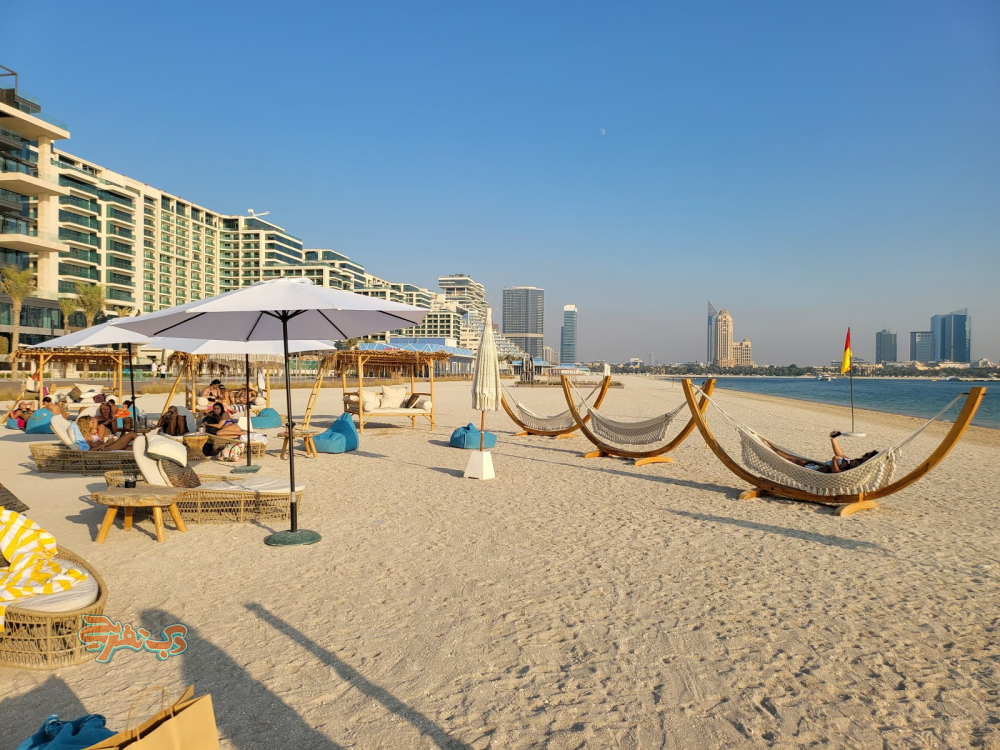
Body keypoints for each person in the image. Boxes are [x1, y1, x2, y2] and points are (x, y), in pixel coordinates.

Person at [771, 431, 879, 473]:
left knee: (794, 461)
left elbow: (836, 473)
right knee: (794, 459)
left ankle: (773, 453)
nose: (864, 454)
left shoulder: (855, 467)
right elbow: (840, 454)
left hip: (816, 471)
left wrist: (834, 460)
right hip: (817, 466)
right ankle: (773, 451)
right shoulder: (854, 461)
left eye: (867, 455)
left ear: (869, 459)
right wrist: (833, 439)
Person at [73, 415, 137, 451]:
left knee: (134, 448)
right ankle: (146, 445)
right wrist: (105, 444)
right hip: (106, 448)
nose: (93, 422)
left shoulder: (89, 433)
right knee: (131, 434)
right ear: (86, 424)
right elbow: (89, 451)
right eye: (91, 422)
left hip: (109, 445)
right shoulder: (85, 435)